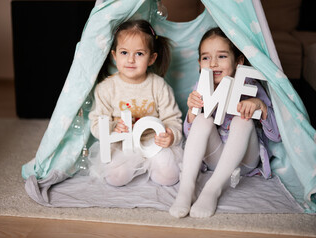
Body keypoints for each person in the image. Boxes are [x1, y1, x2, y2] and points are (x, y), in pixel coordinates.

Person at [169, 27, 281, 218]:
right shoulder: (202, 87)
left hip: (244, 161)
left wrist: (260, 106)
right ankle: (187, 187)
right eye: (205, 58)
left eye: (221, 56)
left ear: (239, 61)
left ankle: (212, 189)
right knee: (203, 119)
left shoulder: (251, 87)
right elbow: (190, 134)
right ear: (199, 63)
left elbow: (277, 136)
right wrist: (192, 112)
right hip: (214, 157)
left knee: (243, 120)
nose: (212, 63)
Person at [88, 19, 183, 187]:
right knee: (115, 178)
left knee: (169, 177)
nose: (131, 59)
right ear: (114, 55)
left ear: (152, 58)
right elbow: (96, 123)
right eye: (124, 53)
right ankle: (136, 166)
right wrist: (113, 126)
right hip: (122, 144)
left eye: (139, 54)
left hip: (152, 142)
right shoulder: (106, 88)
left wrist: (171, 135)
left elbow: (172, 119)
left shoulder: (158, 85)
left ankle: (149, 165)